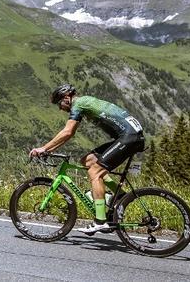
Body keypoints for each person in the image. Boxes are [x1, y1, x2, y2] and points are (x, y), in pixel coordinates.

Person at [30, 84, 145, 234]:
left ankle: (100, 221)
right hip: (130, 136)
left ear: (66, 98)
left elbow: (68, 132)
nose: (60, 108)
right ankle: (120, 196)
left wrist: (44, 148)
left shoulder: (79, 104)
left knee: (95, 173)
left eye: (59, 103)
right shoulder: (84, 102)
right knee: (88, 161)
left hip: (129, 138)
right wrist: (49, 149)